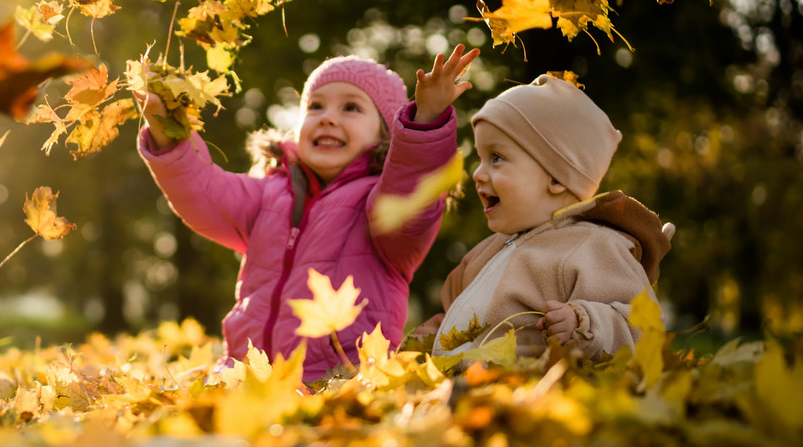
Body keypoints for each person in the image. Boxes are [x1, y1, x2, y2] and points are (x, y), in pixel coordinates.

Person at [135, 45, 479, 382]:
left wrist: (426, 121)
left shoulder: (381, 204)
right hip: (246, 378)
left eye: (351, 108)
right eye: (315, 106)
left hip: (337, 382)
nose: (328, 117)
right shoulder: (267, 193)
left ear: (385, 134)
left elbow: (411, 189)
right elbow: (203, 191)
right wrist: (168, 131)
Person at [414, 74, 674, 361]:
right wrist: (428, 338)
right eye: (480, 158)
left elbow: (642, 326)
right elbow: (459, 319)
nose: (477, 173)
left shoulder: (594, 247)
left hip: (529, 396)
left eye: (496, 157)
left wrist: (584, 323)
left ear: (556, 178)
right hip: (467, 395)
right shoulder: (484, 254)